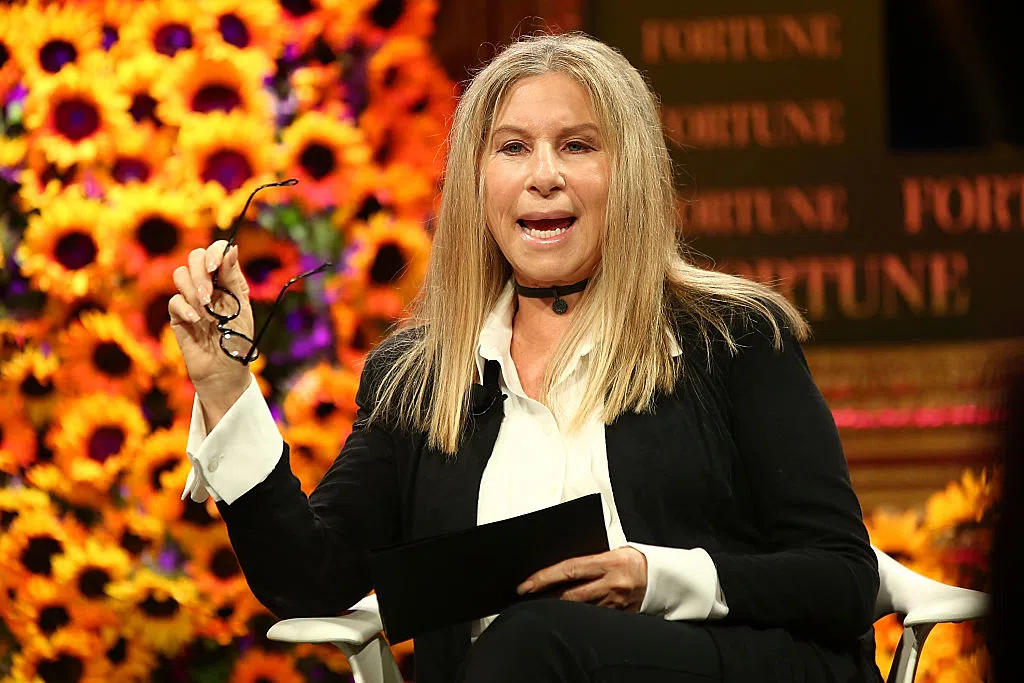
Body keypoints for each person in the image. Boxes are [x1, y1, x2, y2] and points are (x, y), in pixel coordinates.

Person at [169, 33, 883, 683]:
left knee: (538, 639)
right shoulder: (420, 375)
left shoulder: (731, 338)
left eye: (577, 146)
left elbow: (841, 576)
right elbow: (310, 579)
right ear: (478, 183)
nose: (544, 175)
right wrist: (226, 385)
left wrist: (654, 576)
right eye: (513, 148)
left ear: (630, 172)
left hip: (738, 662)